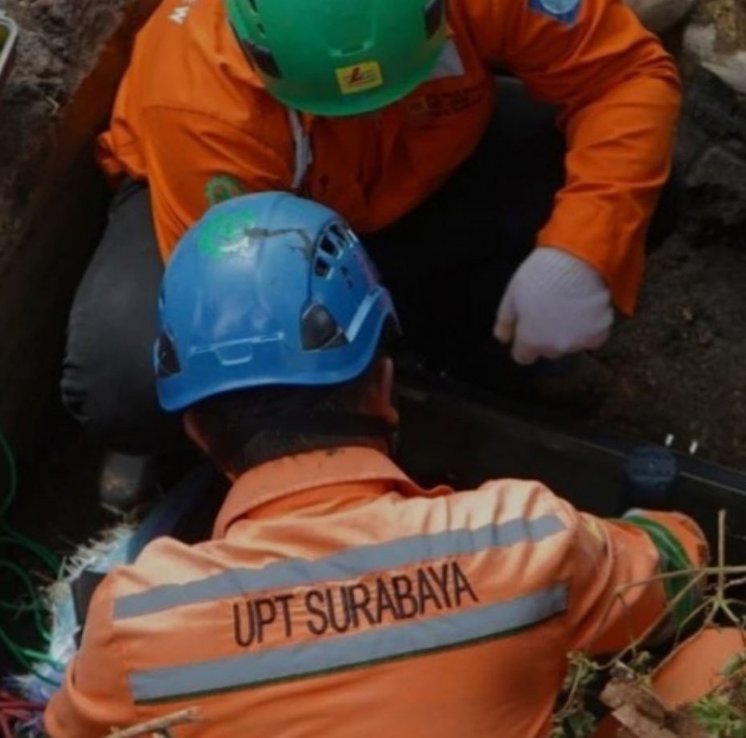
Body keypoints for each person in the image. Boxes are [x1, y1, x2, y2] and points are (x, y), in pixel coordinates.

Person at [61, 0, 683, 507]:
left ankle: (464, 340)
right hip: (253, 230)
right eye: (341, 105)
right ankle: (212, 442)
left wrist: (581, 249)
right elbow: (241, 304)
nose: (368, 109)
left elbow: (622, 77)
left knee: (638, 178)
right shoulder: (202, 100)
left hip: (424, 178)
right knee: (126, 382)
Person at [46, 192, 706, 738]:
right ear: (385, 386)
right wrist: (675, 530)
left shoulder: (138, 620)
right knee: (719, 659)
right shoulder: (521, 536)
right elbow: (674, 573)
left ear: (195, 428)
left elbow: (67, 729)